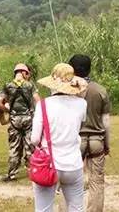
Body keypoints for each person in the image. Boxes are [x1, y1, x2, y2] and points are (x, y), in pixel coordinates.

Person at [31, 63, 89, 212]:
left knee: (44, 209)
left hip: (49, 164)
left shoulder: (43, 105)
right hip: (74, 164)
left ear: (52, 84)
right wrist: (80, 87)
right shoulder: (82, 104)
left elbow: (34, 139)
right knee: (76, 208)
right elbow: (80, 110)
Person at [70, 53, 110, 212]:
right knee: (97, 182)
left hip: (74, 142)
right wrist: (107, 144)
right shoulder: (100, 90)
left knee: (70, 182)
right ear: (89, 69)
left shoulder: (66, 90)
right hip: (96, 141)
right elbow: (106, 122)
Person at [0, 63, 37, 181]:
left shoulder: (8, 86)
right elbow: (37, 100)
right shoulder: (30, 85)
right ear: (24, 73)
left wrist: (8, 111)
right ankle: (33, 173)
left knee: (14, 147)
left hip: (14, 120)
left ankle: (12, 174)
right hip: (28, 119)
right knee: (29, 146)